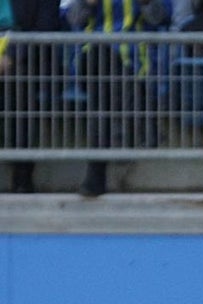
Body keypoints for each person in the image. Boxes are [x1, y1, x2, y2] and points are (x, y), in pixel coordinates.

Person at [67, 0, 172, 197]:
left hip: (132, 66)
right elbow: (72, 19)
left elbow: (161, 18)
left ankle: (95, 177)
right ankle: (143, 121)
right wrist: (87, 4)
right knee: (103, 59)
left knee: (101, 106)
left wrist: (146, 3)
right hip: (93, 62)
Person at [1, 0, 63, 193]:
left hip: (23, 62)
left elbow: (44, 28)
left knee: (20, 95)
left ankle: (22, 178)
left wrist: (11, 56)